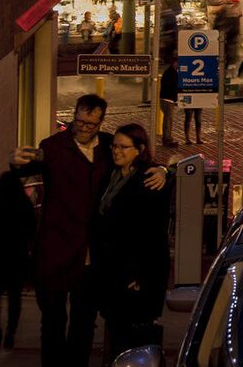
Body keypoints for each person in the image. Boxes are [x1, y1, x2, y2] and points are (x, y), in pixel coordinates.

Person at [13, 93, 165, 367]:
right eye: (80, 122)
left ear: (100, 122)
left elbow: (138, 160)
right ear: (74, 117)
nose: (83, 129)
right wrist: (16, 164)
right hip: (56, 250)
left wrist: (164, 169)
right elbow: (28, 167)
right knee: (53, 321)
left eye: (91, 124)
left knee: (84, 322)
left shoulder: (109, 146)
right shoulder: (53, 146)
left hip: (91, 255)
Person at [92, 125, 170, 357]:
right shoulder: (112, 175)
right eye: (114, 146)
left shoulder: (148, 179)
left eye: (124, 147)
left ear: (140, 149)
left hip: (136, 275)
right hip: (112, 270)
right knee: (115, 329)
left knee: (131, 337)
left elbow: (151, 233)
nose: (117, 151)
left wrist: (138, 274)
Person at [0, 170, 37, 357]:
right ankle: (11, 332)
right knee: (14, 297)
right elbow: (32, 233)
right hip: (16, 255)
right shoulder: (25, 205)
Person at [157, 61, 179, 149]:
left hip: (168, 99)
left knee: (169, 120)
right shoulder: (170, 73)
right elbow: (171, 86)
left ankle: (168, 138)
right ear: (174, 63)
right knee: (167, 121)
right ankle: (167, 139)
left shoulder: (171, 72)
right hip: (167, 100)